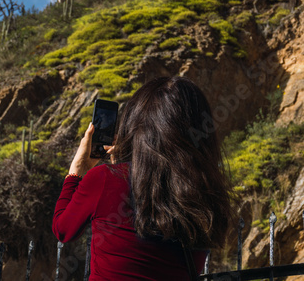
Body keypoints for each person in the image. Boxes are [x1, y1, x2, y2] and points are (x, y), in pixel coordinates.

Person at [52, 76, 234, 280]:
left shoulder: (104, 180)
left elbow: (63, 229)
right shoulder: (204, 193)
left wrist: (76, 171)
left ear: (134, 124)